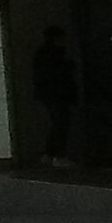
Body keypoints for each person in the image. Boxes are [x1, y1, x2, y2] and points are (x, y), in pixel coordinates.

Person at [32, 25, 78, 166]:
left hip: (48, 94)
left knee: (57, 124)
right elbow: (59, 75)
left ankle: (49, 154)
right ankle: (58, 155)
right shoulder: (55, 54)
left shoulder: (42, 53)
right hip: (57, 94)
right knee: (61, 124)